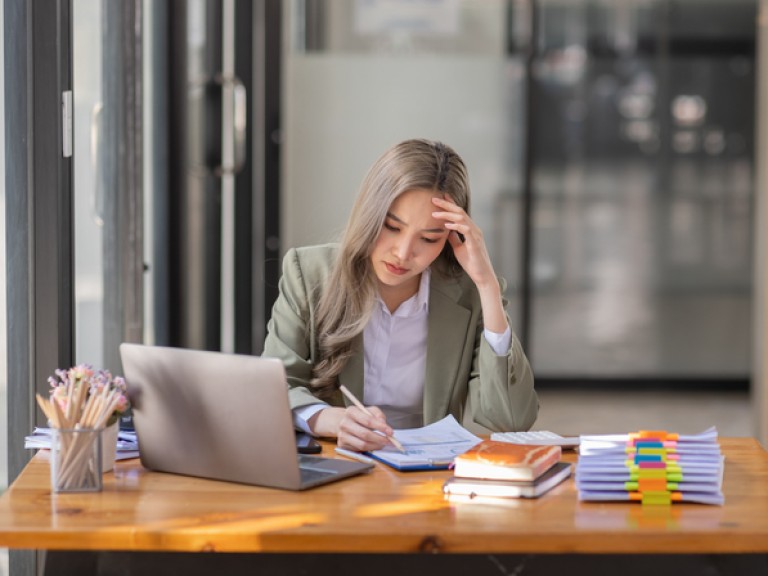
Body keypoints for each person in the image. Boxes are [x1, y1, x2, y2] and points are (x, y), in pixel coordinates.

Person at [263, 138, 538, 452]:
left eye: (429, 238)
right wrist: (330, 419)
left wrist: (486, 285)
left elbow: (512, 419)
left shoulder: (468, 295)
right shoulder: (309, 273)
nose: (404, 253)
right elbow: (275, 387)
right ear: (370, 214)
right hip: (332, 464)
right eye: (392, 227)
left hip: (426, 476)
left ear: (451, 238)